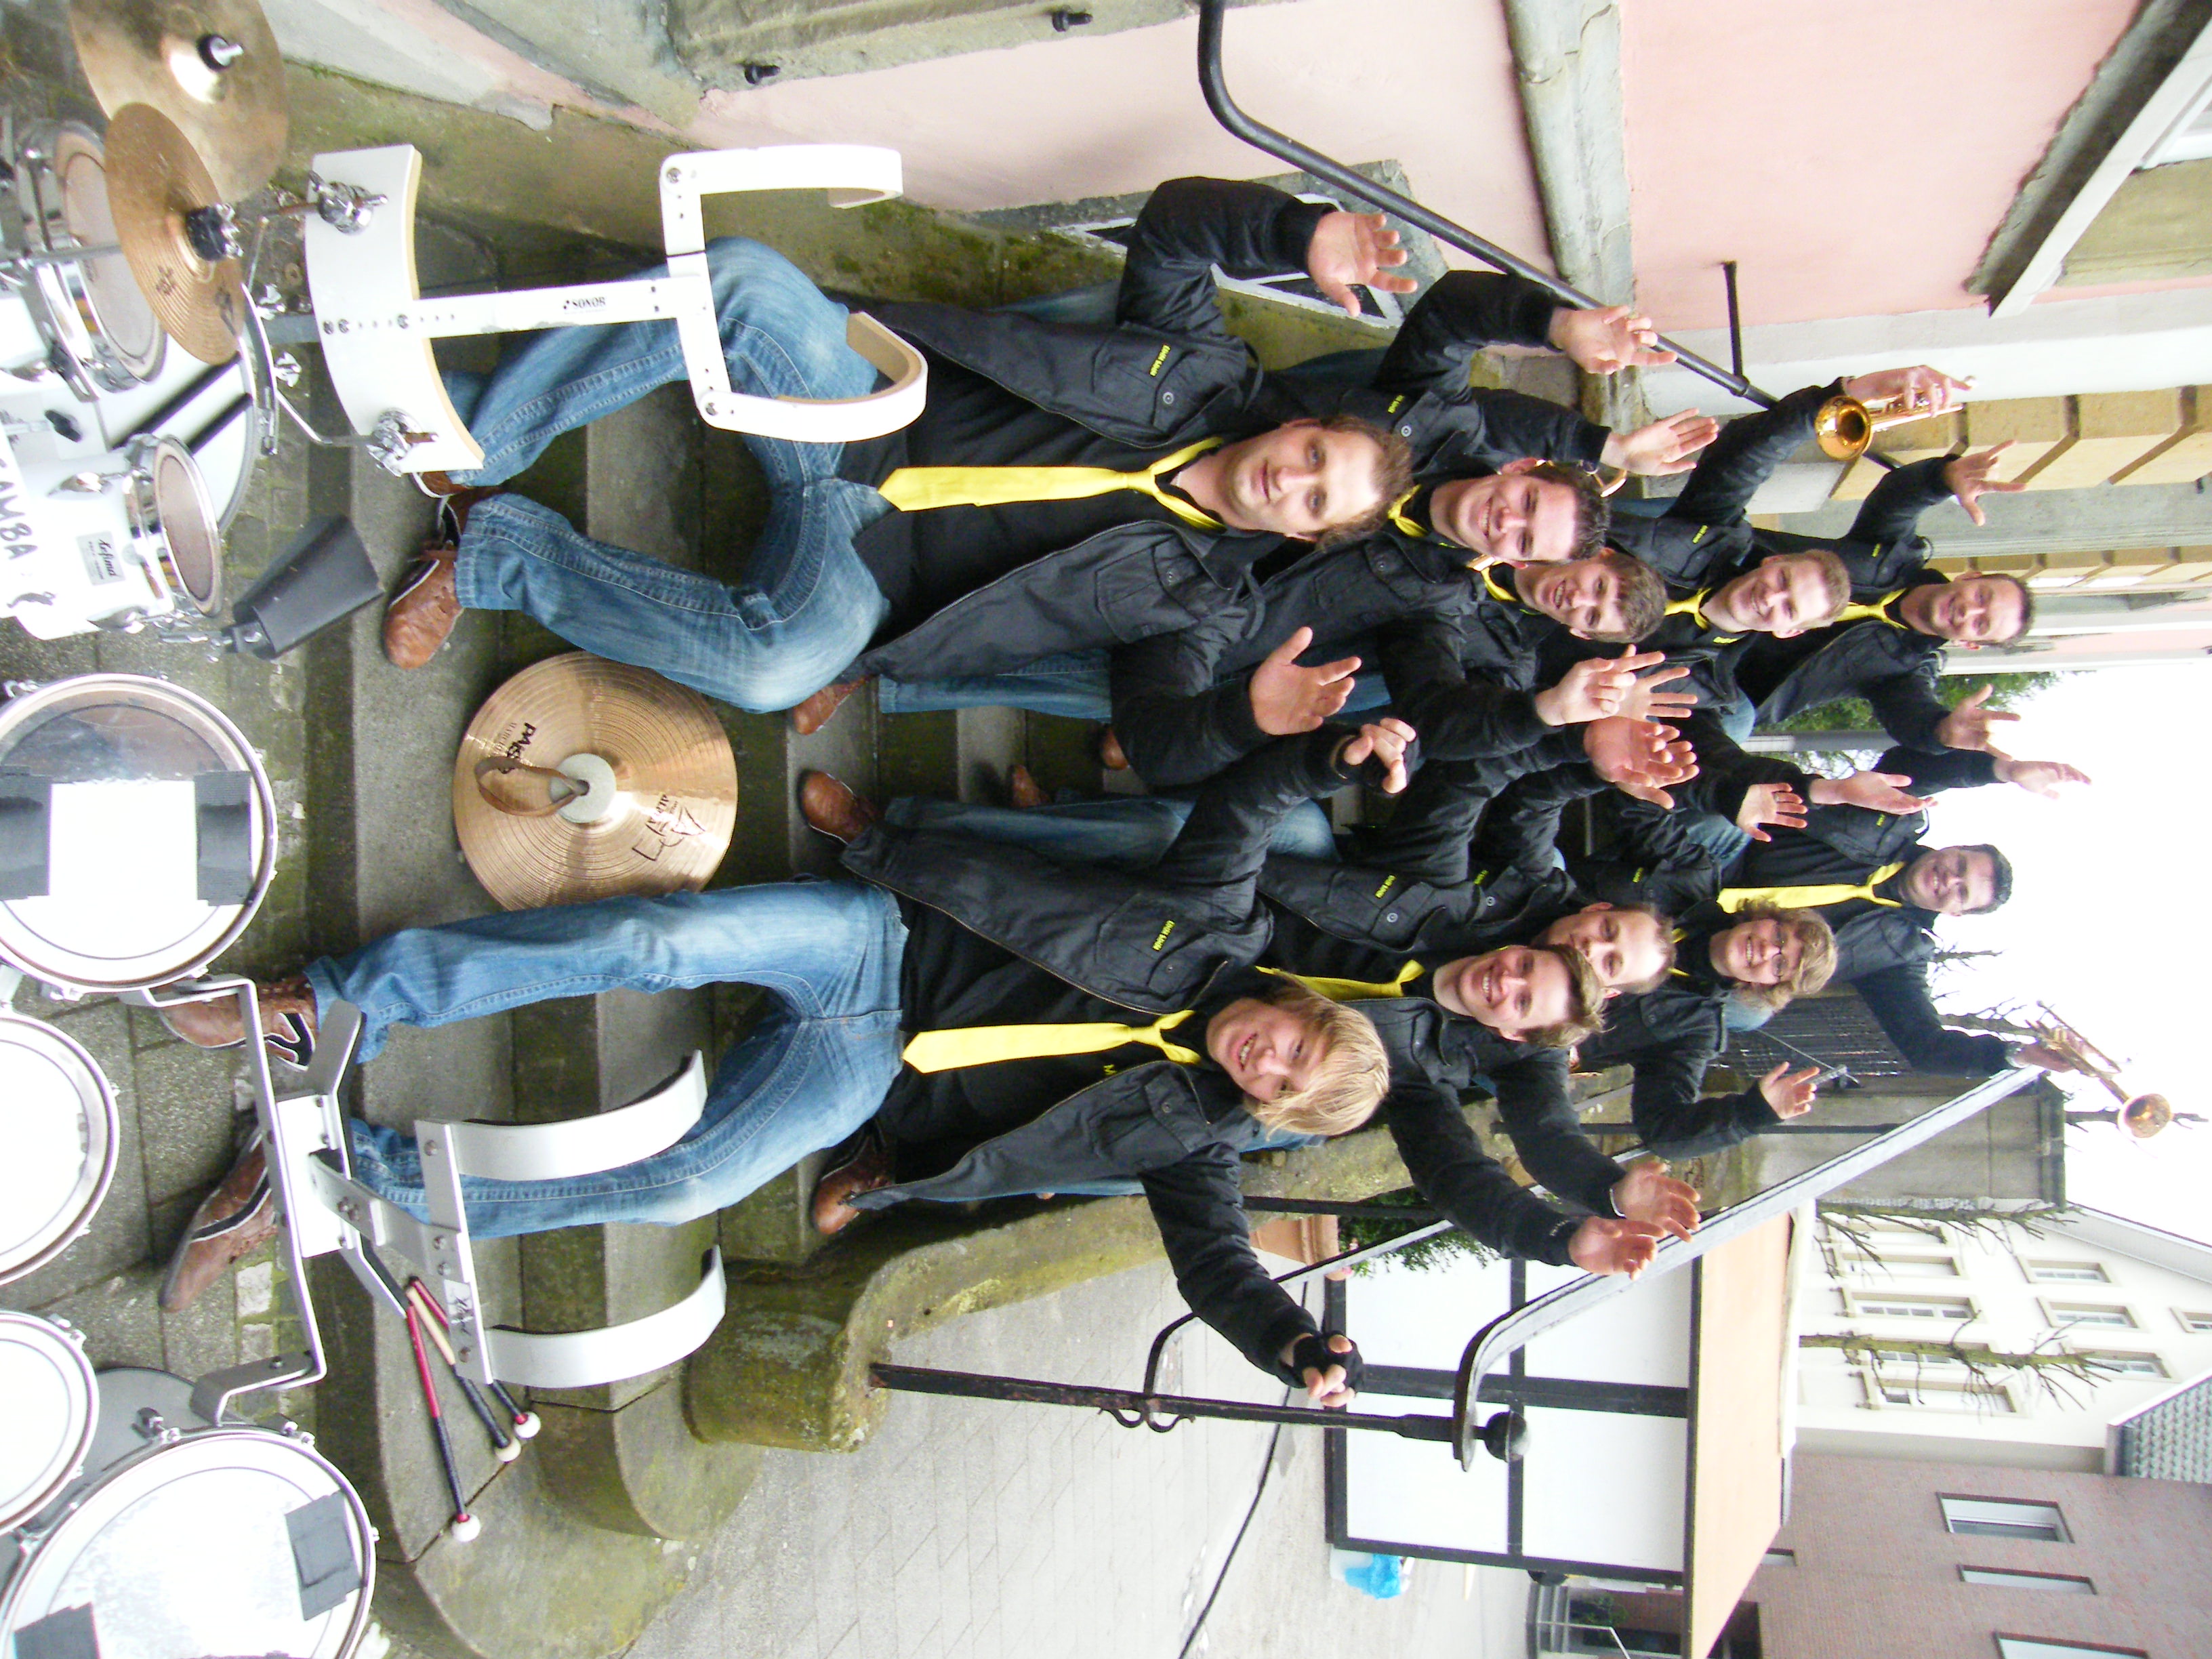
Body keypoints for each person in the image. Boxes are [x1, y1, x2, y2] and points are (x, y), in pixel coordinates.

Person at [160, 723, 1668, 1404]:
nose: (1266, 1059)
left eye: (1275, 1084)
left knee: (692, 1178)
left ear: (1262, 1107)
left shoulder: (1190, 1138)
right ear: (1296, 1004)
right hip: (878, 948)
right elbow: (1237, 810)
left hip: (867, 1077)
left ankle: (337, 1179)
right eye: (1293, 1039)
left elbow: (1216, 1264)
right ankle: (322, 1004)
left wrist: (1287, 1346)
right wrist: (1331, 758)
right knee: (657, 942)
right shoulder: (1217, 927)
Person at [380, 176, 1424, 714]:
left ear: (1306, 536)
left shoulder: (1204, 602)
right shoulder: (1201, 366)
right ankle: (473, 438)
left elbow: (1156, 731)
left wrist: (1246, 723)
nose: (1294, 480)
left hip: (872, 570)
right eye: (1316, 457)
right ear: (1303, 424)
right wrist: (1295, 235)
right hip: (871, 405)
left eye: (1316, 502)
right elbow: (1173, 225)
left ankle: (493, 555)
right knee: (743, 283)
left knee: (773, 669)